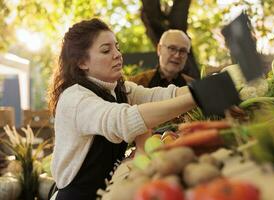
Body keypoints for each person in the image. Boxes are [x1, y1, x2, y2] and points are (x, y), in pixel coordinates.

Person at [48, 18, 197, 200]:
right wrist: (197, 98)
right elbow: (124, 121)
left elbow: (163, 96)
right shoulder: (75, 99)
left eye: (116, 47)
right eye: (106, 50)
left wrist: (210, 87)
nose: (117, 54)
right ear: (82, 62)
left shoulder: (119, 89)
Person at [128, 29, 194, 87]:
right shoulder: (137, 83)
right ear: (159, 49)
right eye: (172, 48)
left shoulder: (193, 87)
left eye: (183, 51)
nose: (177, 55)